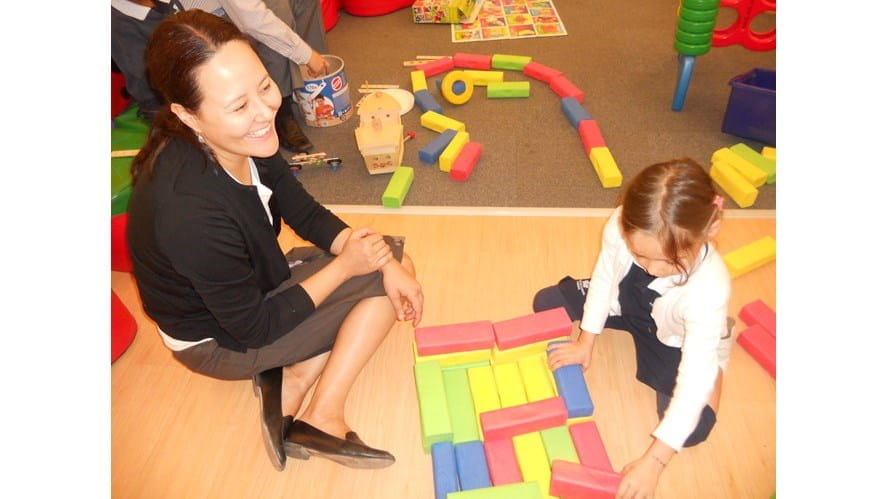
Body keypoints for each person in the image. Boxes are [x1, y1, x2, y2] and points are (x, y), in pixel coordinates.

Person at [126, 9, 424, 471]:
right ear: (187, 115)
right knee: (386, 270)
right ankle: (322, 415)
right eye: (239, 106)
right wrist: (352, 266)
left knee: (389, 259)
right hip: (220, 340)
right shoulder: (189, 212)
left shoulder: (241, 139)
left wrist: (379, 262)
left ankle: (293, 378)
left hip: (255, 287)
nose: (266, 112)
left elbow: (300, 208)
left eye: (264, 86)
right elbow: (254, 328)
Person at [534, 159, 733, 498]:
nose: (653, 269)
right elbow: (605, 276)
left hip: (673, 334)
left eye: (669, 261)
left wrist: (654, 462)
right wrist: (586, 340)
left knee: (693, 428)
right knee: (546, 303)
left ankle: (716, 355)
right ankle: (618, 310)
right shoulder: (622, 223)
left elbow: (689, 384)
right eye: (640, 255)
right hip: (627, 301)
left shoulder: (708, 289)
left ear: (708, 232)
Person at [111, 0, 329, 152]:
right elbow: (253, 20)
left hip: (195, 43)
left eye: (265, 87)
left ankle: (307, 88)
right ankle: (279, 110)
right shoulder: (121, 26)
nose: (264, 112)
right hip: (176, 98)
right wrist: (307, 55)